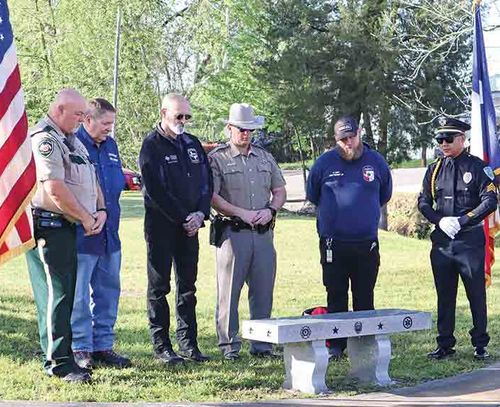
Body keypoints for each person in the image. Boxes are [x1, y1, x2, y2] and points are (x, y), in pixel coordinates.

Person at [26, 89, 105, 383]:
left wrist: (100, 209)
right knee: (55, 296)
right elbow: (54, 188)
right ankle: (57, 363)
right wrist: (86, 217)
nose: (83, 119)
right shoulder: (45, 139)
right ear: (59, 110)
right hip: (48, 227)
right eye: (78, 114)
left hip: (67, 227)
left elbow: (91, 177)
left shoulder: (71, 140)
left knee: (65, 295)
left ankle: (64, 356)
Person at [306, 116, 392, 360]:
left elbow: (384, 193)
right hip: (333, 243)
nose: (348, 143)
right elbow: (313, 195)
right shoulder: (324, 163)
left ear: (360, 133)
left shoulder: (376, 162)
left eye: (352, 137)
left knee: (365, 295)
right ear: (336, 139)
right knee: (336, 295)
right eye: (343, 139)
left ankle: (364, 344)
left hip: (366, 243)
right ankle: (337, 345)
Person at [209, 103, 287, 360]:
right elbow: (212, 197)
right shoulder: (218, 158)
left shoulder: (265, 157)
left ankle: (262, 345)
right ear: (229, 128)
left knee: (263, 291)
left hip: (264, 234)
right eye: (241, 129)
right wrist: (240, 212)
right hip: (233, 233)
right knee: (229, 293)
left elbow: (279, 190)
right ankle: (229, 346)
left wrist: (272, 210)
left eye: (250, 130)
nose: (245, 134)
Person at [138, 93, 212, 364]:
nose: (183, 121)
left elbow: (206, 182)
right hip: (162, 227)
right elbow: (156, 191)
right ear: (163, 113)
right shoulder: (151, 146)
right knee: (159, 288)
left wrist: (200, 213)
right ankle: (162, 346)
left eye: (187, 116)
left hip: (191, 228)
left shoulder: (191, 143)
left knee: (188, 288)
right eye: (178, 116)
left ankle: (189, 344)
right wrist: (184, 216)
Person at [417, 117, 498, 360]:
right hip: (442, 242)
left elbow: (490, 200)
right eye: (440, 139)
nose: (443, 143)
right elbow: (423, 201)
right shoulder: (434, 170)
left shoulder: (477, 167)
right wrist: (438, 220)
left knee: (475, 293)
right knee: (444, 294)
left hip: (469, 242)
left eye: (448, 139)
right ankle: (445, 343)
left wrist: (463, 220)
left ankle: (480, 343)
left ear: (462, 139)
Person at [71, 98, 131, 370]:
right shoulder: (72, 144)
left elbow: (116, 183)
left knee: (109, 292)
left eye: (112, 124)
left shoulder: (111, 146)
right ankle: (81, 348)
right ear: (87, 120)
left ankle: (103, 346)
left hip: (110, 234)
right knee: (80, 295)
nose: (110, 129)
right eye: (105, 123)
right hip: (84, 233)